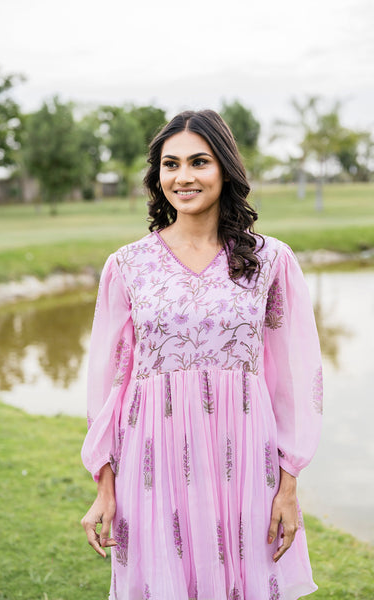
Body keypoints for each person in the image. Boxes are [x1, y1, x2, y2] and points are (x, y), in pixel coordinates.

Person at [81, 110, 323, 600]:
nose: (183, 177)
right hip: (153, 456)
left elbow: (295, 380)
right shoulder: (126, 265)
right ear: (157, 177)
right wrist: (104, 483)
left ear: (225, 170)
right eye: (171, 165)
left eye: (199, 162)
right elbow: (109, 381)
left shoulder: (270, 261)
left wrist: (289, 483)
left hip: (245, 459)